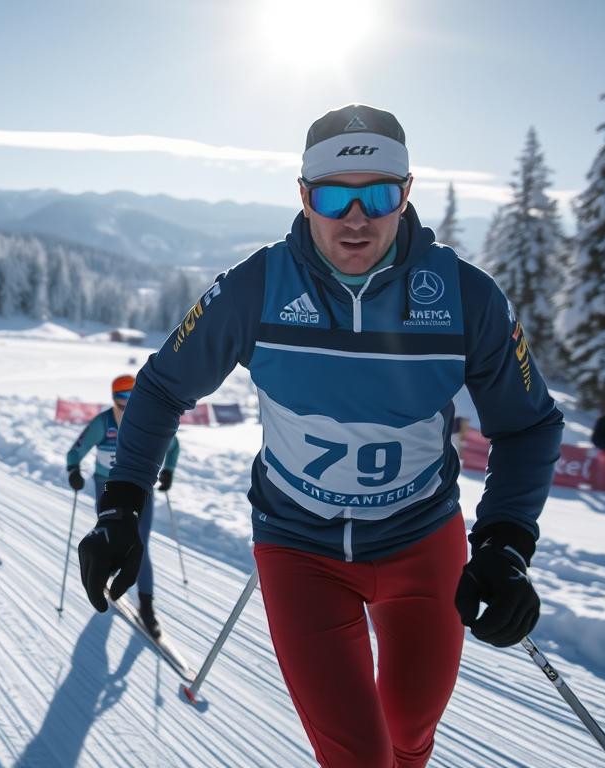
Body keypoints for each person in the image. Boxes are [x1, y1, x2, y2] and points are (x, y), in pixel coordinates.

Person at [77, 104, 564, 768]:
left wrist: (506, 542)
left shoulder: (464, 298)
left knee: (411, 734)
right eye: (335, 196)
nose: (355, 218)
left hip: (420, 541)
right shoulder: (257, 288)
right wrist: (123, 505)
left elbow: (528, 423)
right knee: (359, 757)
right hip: (299, 547)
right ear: (306, 198)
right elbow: (162, 388)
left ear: (406, 194)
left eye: (378, 195)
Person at [66, 374, 179, 637]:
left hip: (141, 487)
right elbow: (76, 450)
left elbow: (173, 447)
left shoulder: (147, 420)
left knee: (141, 542)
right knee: (112, 534)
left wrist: (169, 471)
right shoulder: (103, 422)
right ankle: (107, 573)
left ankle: (147, 606)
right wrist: (73, 468)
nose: (126, 403)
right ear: (113, 398)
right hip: (108, 486)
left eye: (131, 396)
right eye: (121, 397)